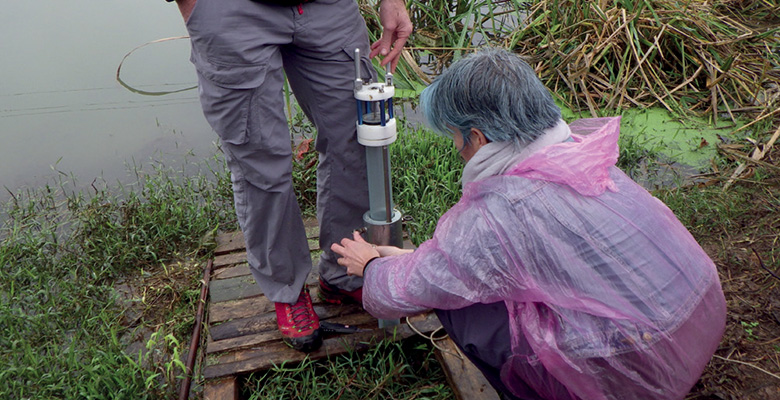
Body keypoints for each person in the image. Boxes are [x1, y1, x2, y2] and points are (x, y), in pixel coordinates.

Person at [331, 47, 727, 399]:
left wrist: (372, 266)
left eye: (454, 136)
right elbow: (480, 260)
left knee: (461, 306)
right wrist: (409, 255)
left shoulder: (502, 209)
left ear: (478, 137)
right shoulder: (577, 157)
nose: (455, 148)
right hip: (695, 323)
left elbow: (420, 288)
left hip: (629, 376)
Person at [169, 0, 412, 352]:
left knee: (358, 137)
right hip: (230, 12)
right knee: (261, 160)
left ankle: (343, 273)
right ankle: (288, 290)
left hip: (327, 8)